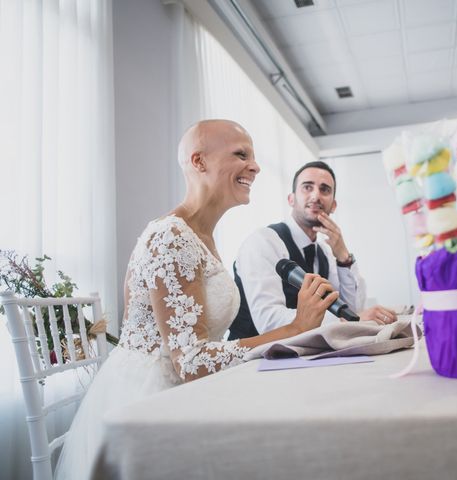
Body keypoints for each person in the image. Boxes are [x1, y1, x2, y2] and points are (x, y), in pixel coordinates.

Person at [55, 120, 338, 479]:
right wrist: (295, 327)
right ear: (199, 162)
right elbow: (189, 360)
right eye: (241, 154)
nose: (256, 166)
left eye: (253, 156)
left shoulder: (202, 235)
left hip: (190, 390)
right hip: (152, 402)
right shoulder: (171, 236)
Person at [229, 161, 398, 340]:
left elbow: (351, 307)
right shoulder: (263, 242)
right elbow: (268, 321)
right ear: (291, 199)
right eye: (307, 187)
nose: (316, 195)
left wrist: (343, 257)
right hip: (253, 361)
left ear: (333, 205)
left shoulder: (324, 252)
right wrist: (346, 322)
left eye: (325, 190)